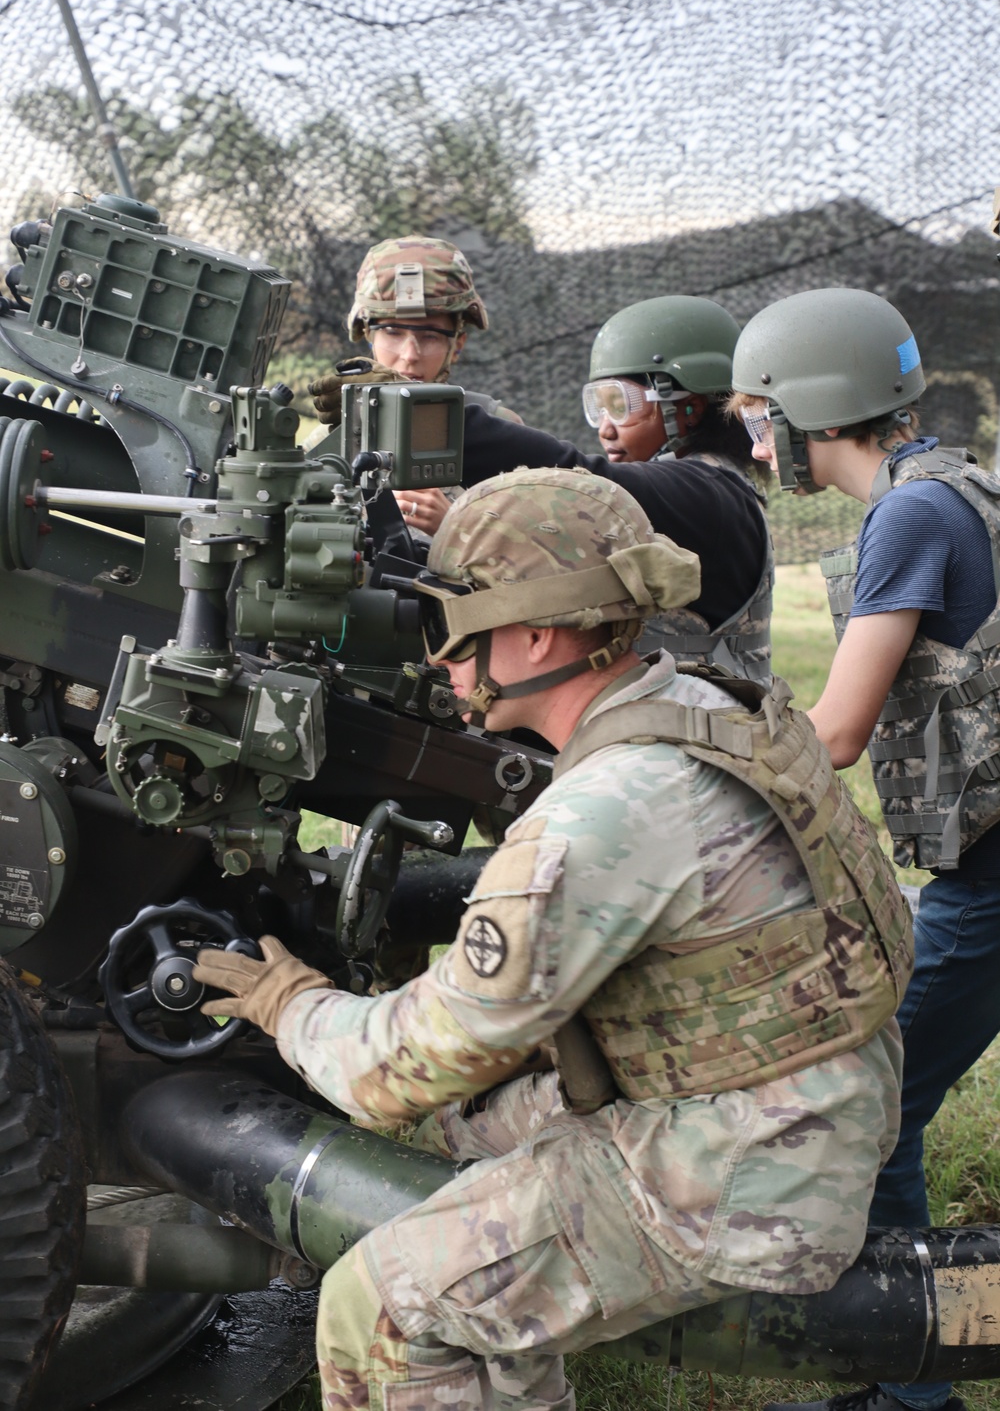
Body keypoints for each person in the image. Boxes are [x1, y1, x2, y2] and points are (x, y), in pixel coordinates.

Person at [194, 465, 910, 1411]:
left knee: (382, 1302)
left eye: (451, 625)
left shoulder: (608, 809)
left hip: (748, 1166)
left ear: (539, 633)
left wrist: (292, 1005)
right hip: (796, 1092)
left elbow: (395, 1070)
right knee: (457, 1137)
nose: (440, 658)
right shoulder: (702, 703)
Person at [730, 285, 1000, 1411]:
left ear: (810, 412)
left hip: (994, 880)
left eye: (758, 414)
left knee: (871, 1101)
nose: (752, 439)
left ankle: (902, 1384)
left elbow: (831, 732)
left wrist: (687, 750)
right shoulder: (962, 478)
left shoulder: (907, 517)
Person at [389, 294, 775, 681]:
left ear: (689, 408)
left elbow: (578, 477)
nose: (606, 428)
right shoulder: (708, 491)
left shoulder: (710, 495)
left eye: (620, 405)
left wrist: (416, 410)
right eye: (598, 406)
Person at [307, 232, 520, 437]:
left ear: (456, 346)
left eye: (430, 335)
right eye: (392, 333)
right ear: (369, 337)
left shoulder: (496, 430)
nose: (410, 355)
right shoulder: (332, 438)